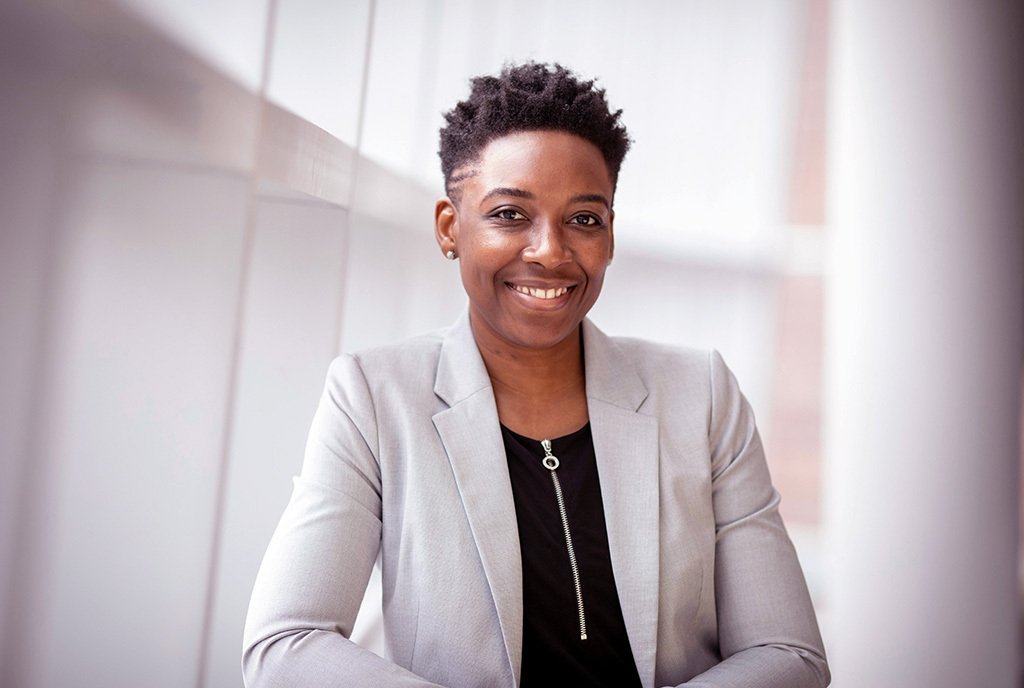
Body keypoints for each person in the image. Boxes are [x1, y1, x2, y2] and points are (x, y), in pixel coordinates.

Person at [242, 62, 830, 688]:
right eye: (509, 215)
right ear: (450, 227)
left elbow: (789, 653)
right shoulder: (373, 395)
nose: (550, 251)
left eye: (583, 219)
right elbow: (286, 645)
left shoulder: (701, 395)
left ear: (608, 236)